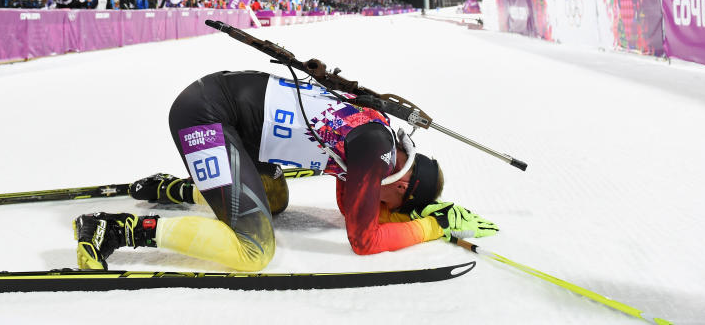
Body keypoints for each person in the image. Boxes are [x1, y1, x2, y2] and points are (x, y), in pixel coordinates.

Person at [74, 70, 498, 272]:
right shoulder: (375, 153)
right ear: (401, 183)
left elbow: (351, 204)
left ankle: (184, 190)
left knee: (275, 200)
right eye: (394, 207)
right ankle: (118, 230)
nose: (382, 210)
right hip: (206, 116)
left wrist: (403, 215)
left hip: (227, 115)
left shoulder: (381, 138)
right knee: (254, 251)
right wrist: (431, 228)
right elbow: (363, 239)